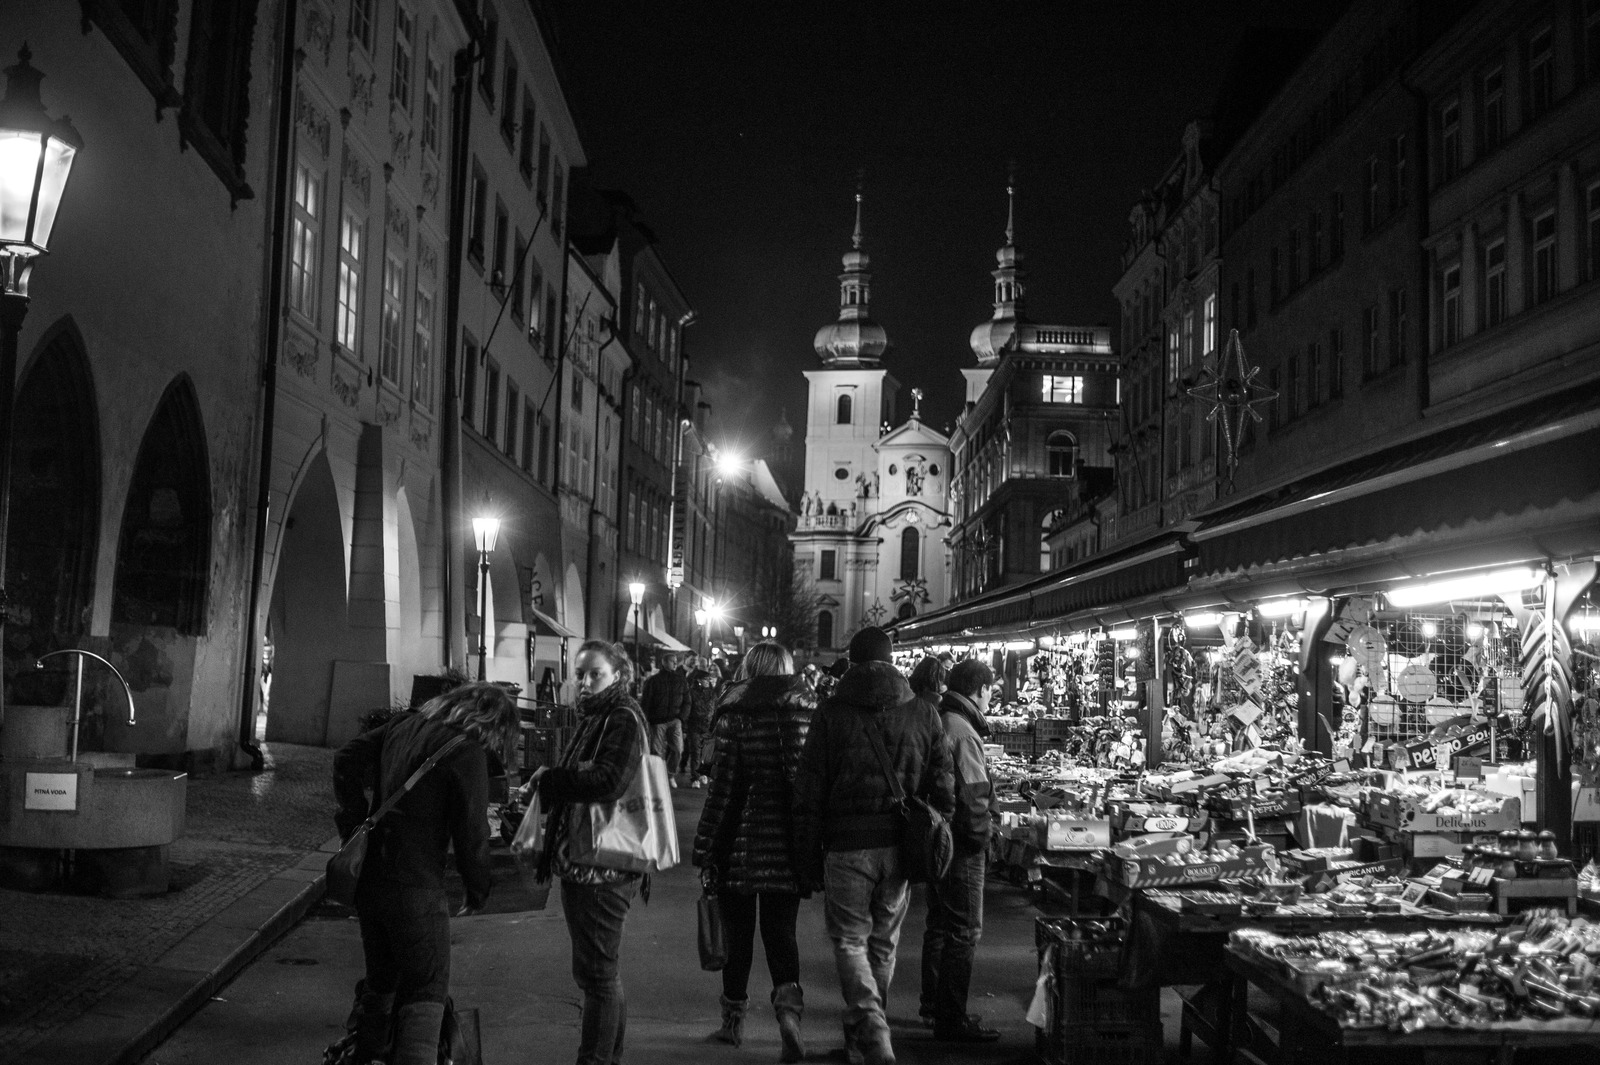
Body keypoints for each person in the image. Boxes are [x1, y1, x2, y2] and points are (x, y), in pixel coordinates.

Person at [333, 682, 519, 1065]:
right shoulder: (466, 751)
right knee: (425, 992)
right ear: (494, 725)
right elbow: (473, 832)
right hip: (417, 886)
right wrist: (477, 888)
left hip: (372, 879)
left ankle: (368, 1056)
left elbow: (346, 758)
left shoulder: (403, 724)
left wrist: (355, 821)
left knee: (380, 983)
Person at [793, 627, 954, 1065]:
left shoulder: (831, 712)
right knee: (883, 944)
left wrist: (806, 857)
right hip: (900, 846)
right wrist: (937, 830)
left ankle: (873, 1035)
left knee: (849, 941)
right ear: (892, 660)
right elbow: (943, 785)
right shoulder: (923, 712)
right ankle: (859, 1039)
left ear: (852, 660)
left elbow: (809, 790)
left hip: (846, 846)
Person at [692, 641, 817, 1061]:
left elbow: (723, 790)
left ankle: (732, 1024)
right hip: (788, 844)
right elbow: (810, 785)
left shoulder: (735, 712)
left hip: (740, 845)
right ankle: (789, 1019)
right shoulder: (806, 711)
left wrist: (706, 847)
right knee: (782, 935)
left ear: (749, 668)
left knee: (738, 937)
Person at [525, 641, 648, 1065]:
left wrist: (555, 780)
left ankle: (594, 1060)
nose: (584, 682)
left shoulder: (622, 717)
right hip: (588, 862)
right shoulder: (599, 716)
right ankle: (607, 1058)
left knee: (598, 976)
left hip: (605, 865)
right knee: (600, 973)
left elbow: (610, 780)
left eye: (595, 673)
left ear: (618, 674)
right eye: (579, 674)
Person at [920, 659, 1001, 1042]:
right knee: (964, 932)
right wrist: (985, 839)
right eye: (991, 689)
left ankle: (934, 1007)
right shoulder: (963, 732)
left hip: (940, 839)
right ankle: (951, 1020)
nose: (992, 696)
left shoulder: (941, 718)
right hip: (962, 845)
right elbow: (973, 797)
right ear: (980, 690)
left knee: (940, 925)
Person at [640, 651, 691, 786]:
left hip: (675, 720)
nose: (675, 663)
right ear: (664, 663)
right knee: (656, 751)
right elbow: (646, 702)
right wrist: (647, 720)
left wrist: (681, 718)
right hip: (657, 721)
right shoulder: (653, 681)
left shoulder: (681, 680)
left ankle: (669, 774)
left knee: (678, 749)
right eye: (671, 661)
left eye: (676, 661)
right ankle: (658, 777)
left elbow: (687, 701)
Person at [684, 656, 720, 787]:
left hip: (708, 726)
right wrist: (685, 726)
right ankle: (695, 777)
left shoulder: (712, 693)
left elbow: (715, 709)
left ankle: (703, 774)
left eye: (708, 679)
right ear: (698, 680)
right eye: (705, 679)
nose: (707, 681)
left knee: (706, 753)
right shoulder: (692, 692)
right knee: (695, 752)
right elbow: (688, 708)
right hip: (694, 725)